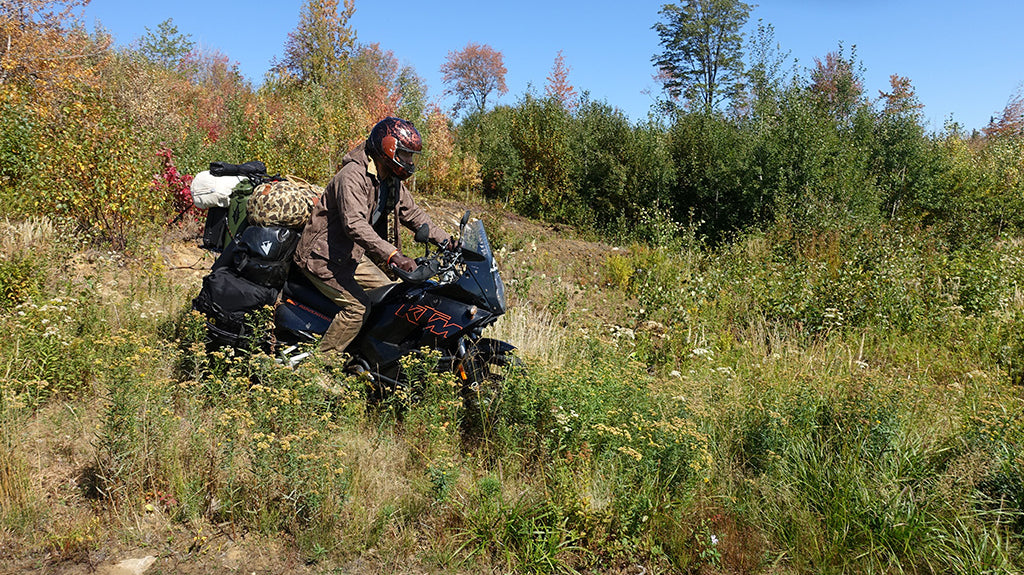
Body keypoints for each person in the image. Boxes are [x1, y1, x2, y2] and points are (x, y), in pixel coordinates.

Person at [293, 117, 451, 358]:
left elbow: (413, 214)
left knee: (392, 296)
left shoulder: (389, 180)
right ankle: (321, 365)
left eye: (412, 156)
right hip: (322, 256)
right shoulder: (353, 176)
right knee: (358, 308)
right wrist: (394, 256)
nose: (409, 162)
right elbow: (354, 224)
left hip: (348, 255)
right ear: (388, 148)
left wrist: (448, 241)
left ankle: (365, 355)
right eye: (405, 154)